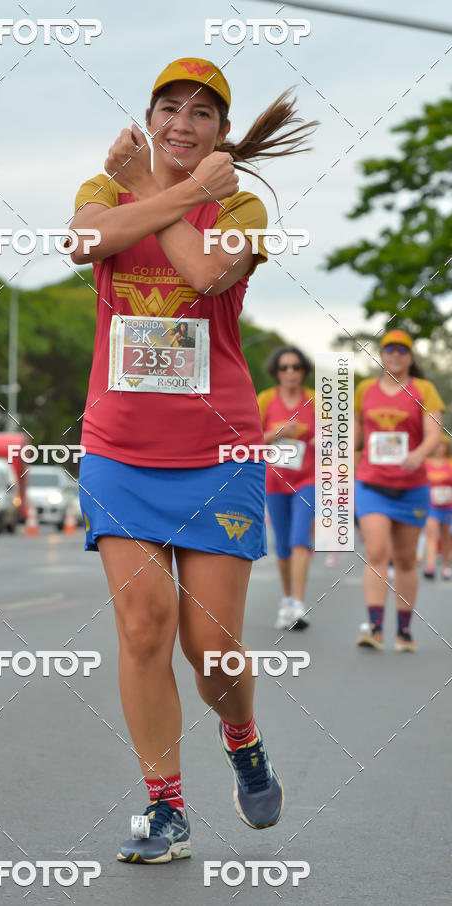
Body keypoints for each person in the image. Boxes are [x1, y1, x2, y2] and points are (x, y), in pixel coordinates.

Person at [69, 57, 317, 864]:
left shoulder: (240, 206)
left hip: (219, 454)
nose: (183, 123)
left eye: (202, 114)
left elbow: (204, 271)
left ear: (221, 135)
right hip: (119, 450)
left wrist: (155, 185)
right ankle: (164, 807)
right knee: (144, 627)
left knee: (211, 650)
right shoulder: (105, 188)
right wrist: (146, 184)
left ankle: (240, 735)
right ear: (149, 117)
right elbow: (85, 242)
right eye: (168, 108)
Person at [354, 330, 445, 652]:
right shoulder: (364, 389)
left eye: (402, 350)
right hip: (372, 484)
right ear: (381, 355)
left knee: (406, 560)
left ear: (410, 356)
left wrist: (419, 454)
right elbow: (354, 434)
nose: (395, 355)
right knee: (377, 551)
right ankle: (375, 628)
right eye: (389, 349)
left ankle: (404, 632)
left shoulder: (424, 390)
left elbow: (434, 433)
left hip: (411, 486)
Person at [257, 347, 315, 630]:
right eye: (284, 367)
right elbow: (251, 438)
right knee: (282, 546)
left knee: (299, 539)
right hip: (275, 480)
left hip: (307, 479)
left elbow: (337, 435)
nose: (290, 372)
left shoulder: (317, 401)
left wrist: (324, 441)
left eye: (295, 366)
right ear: (276, 372)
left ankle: (299, 605)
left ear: (304, 370)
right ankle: (287, 598)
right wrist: (278, 432)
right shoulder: (266, 399)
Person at [423, 434, 452, 580]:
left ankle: (446, 566)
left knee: (446, 536)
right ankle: (430, 566)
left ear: (446, 447)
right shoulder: (426, 463)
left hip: (447, 506)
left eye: (442, 445)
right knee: (432, 535)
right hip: (431, 505)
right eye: (437, 445)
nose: (440, 448)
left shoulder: (450, 463)